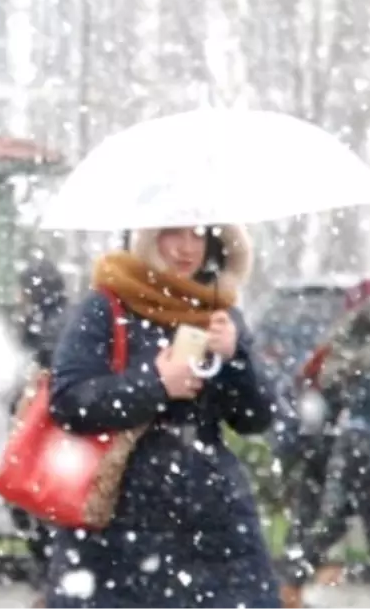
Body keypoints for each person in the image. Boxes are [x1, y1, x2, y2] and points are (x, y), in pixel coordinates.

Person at [42, 225, 280, 608]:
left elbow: (257, 417)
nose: (187, 248)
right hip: (118, 516)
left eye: (200, 236)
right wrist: (156, 384)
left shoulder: (220, 313)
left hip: (213, 518)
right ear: (149, 238)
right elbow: (69, 402)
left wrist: (236, 358)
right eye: (174, 233)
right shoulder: (107, 306)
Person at [279, 285, 370, 609]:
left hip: (353, 451)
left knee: (364, 527)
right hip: (362, 453)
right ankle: (289, 583)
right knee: (338, 523)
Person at [9, 256, 69, 587]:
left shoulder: (45, 326)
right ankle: (54, 575)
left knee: (30, 503)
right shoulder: (54, 319)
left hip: (45, 433)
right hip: (52, 435)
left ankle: (52, 576)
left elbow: (37, 378)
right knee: (38, 505)